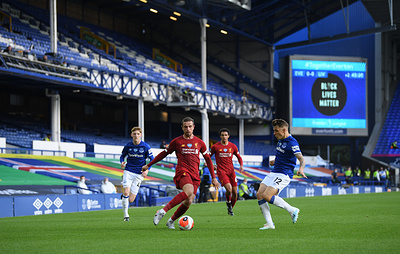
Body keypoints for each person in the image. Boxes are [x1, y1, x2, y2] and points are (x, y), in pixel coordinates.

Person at [142, 117, 220, 229]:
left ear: (193, 127)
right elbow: (163, 154)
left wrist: (214, 177)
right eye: (185, 127)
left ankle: (171, 221)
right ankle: (162, 211)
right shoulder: (177, 141)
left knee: (189, 201)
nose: (188, 129)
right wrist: (148, 165)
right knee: (189, 191)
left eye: (190, 126)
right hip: (182, 171)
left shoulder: (200, 143)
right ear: (182, 127)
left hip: (195, 174)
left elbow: (208, 159)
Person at [256, 119, 306, 230]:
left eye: (276, 131)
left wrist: (301, 169)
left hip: (284, 174)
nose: (274, 133)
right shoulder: (280, 140)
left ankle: (292, 210)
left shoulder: (292, 143)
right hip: (274, 172)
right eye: (274, 130)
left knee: (267, 196)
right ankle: (269, 224)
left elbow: (301, 159)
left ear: (284, 130)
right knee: (259, 194)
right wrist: (275, 161)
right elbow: (282, 155)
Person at [120, 127, 154, 222]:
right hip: (128, 171)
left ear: (140, 135)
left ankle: (124, 198)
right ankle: (126, 215)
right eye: (134, 134)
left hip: (139, 174)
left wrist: (147, 169)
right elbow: (122, 156)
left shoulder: (145, 146)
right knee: (126, 192)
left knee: (131, 199)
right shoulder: (128, 146)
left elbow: (152, 159)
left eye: (137, 134)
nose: (136, 136)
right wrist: (122, 162)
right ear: (131, 135)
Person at [210, 127, 244, 216]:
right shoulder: (215, 147)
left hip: (231, 171)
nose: (224, 137)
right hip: (222, 171)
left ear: (228, 136)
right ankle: (228, 204)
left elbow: (239, 157)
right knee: (229, 189)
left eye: (225, 135)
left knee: (235, 193)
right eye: (222, 135)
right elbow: (208, 157)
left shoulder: (232, 146)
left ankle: (230, 209)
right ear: (220, 136)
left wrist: (241, 165)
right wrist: (211, 165)